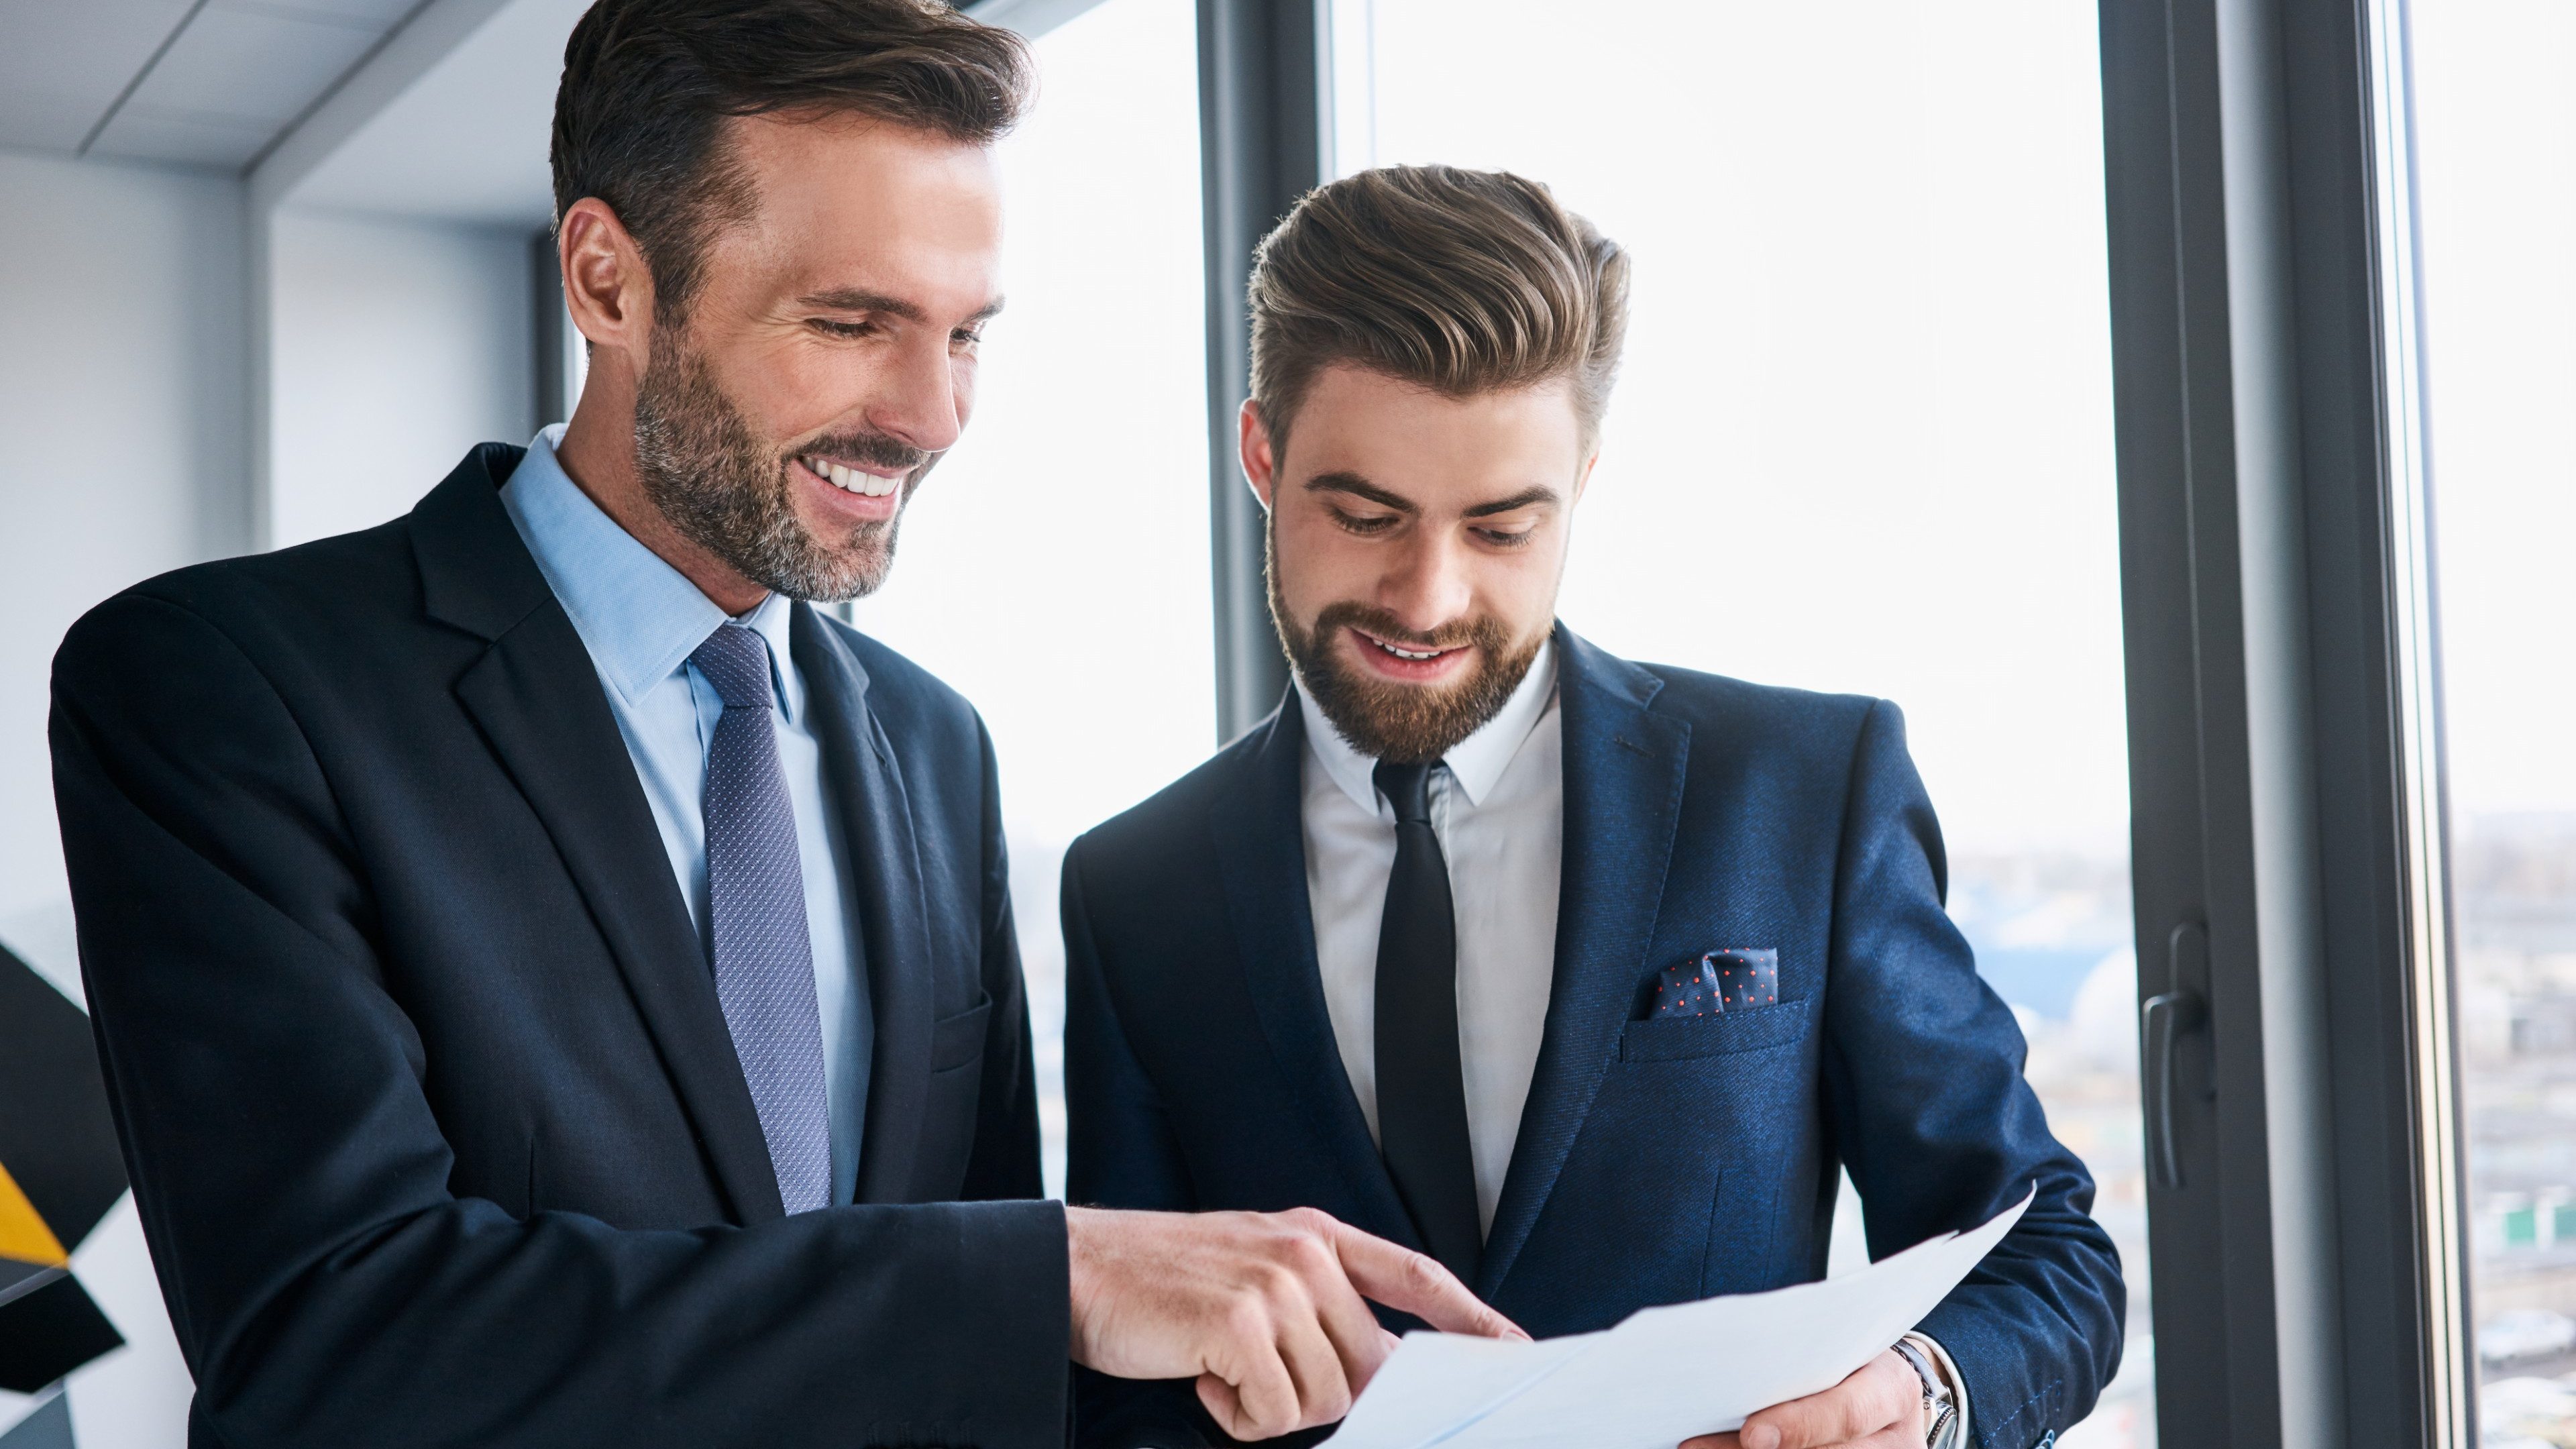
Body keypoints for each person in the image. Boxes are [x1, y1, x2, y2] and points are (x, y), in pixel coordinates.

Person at [46, 5, 1517, 1446]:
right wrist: (1050, 1271)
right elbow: (331, 1337)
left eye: (965, 334)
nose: (933, 414)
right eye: (852, 321)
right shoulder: (225, 689)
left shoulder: (934, 749)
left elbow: (981, 1369)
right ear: (610, 282)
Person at [1061, 165, 2126, 1449]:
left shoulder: (1801, 789)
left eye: (1503, 529)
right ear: (1262, 456)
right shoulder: (1132, 893)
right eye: (1364, 514)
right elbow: (1120, 1398)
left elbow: (2044, 1252)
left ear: (1584, 482)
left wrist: (1919, 1395)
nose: (1428, 598)